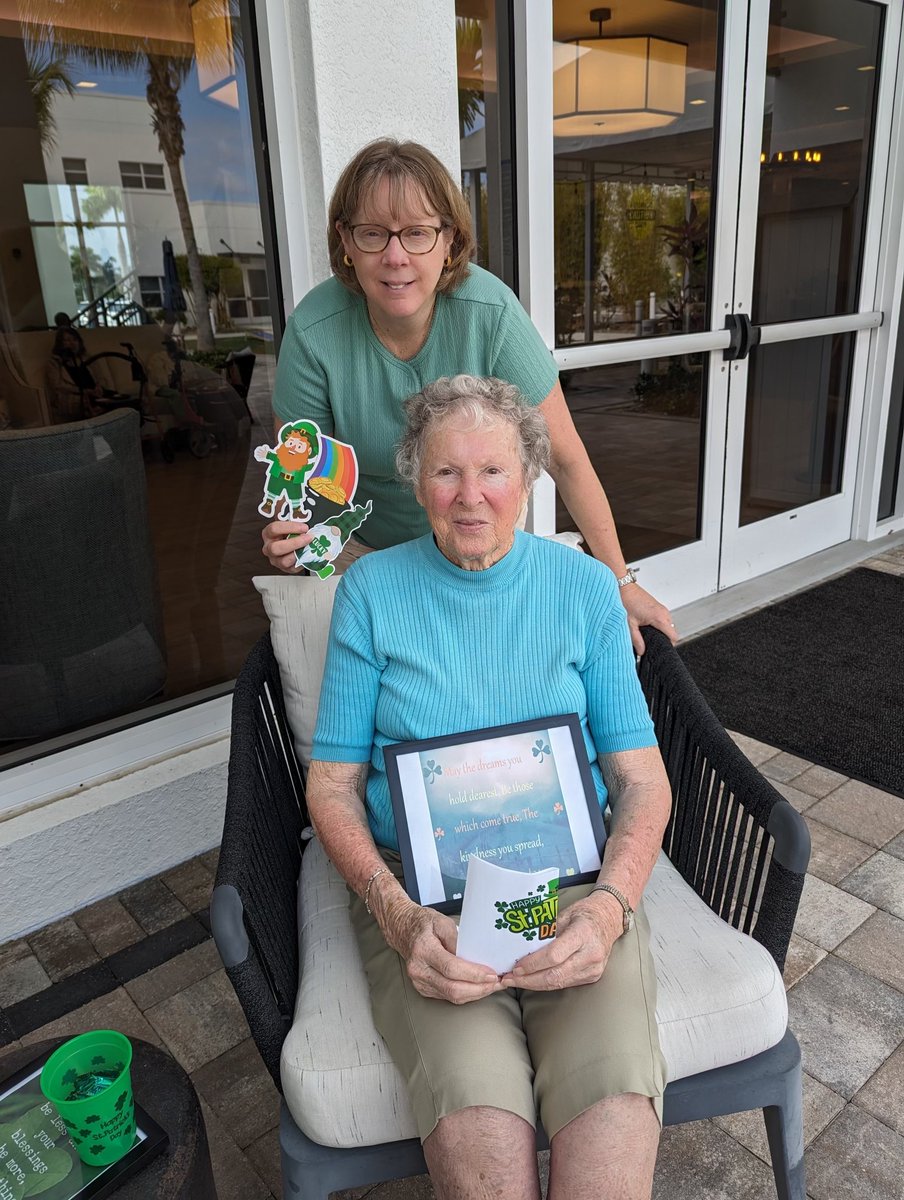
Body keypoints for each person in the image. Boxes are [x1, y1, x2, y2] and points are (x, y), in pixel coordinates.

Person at [307, 375, 672, 1200]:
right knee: (482, 1141)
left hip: (575, 887)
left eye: (493, 471)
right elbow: (330, 787)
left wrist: (611, 906)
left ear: (529, 478)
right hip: (425, 902)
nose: (470, 496)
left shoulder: (585, 589)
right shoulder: (370, 592)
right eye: (446, 472)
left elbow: (643, 781)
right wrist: (397, 917)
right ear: (416, 482)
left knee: (610, 1124)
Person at [262, 138, 676, 654]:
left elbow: (566, 460)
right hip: (367, 558)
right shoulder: (313, 333)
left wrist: (621, 581)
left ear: (449, 240)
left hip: (481, 549)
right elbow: (300, 482)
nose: (395, 257)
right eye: (372, 233)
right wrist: (297, 542)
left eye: (417, 233)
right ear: (345, 239)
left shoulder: (491, 314)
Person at [45, 327, 106, 423]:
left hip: (95, 394)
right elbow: (57, 386)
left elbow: (100, 377)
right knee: (89, 406)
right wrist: (85, 391)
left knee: (118, 401)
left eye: (75, 339)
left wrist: (99, 387)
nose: (72, 343)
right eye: (67, 340)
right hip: (73, 397)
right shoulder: (54, 362)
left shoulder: (87, 358)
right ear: (60, 343)